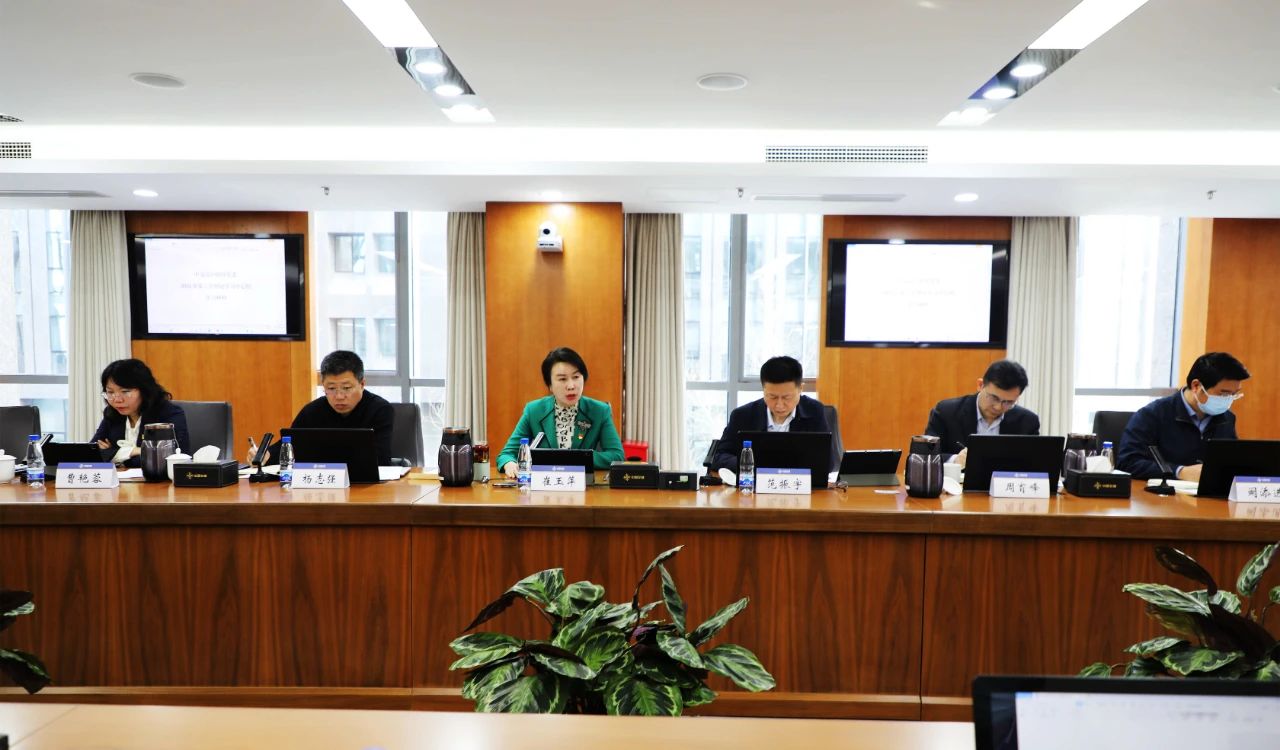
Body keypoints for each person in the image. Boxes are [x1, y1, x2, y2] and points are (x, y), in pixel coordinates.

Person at [1117, 352, 1249, 480]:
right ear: (1196, 386)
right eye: (1224, 394)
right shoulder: (1153, 414)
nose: (1229, 400)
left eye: (1234, 394)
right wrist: (1179, 472)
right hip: (1164, 493)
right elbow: (1127, 462)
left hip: (1208, 493)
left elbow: (1230, 462)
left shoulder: (1226, 418)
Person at [251, 350, 395, 466]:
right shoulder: (312, 411)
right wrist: (265, 455)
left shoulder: (380, 410)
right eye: (331, 388)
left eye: (346, 388)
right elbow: (289, 445)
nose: (339, 396)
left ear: (362, 384)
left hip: (365, 485)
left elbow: (381, 460)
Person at [497, 347, 625, 477]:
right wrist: (509, 463)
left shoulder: (599, 410)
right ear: (550, 385)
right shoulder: (534, 410)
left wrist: (577, 458)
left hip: (583, 484)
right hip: (545, 485)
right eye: (562, 379)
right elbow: (507, 454)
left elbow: (616, 455)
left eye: (576, 377)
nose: (571, 386)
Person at [711, 355, 839, 474]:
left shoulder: (814, 411)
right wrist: (749, 464)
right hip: (753, 486)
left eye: (787, 397)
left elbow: (828, 462)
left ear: (801, 389)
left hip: (799, 485)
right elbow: (719, 456)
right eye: (772, 397)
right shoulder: (743, 415)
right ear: (763, 390)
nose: (779, 405)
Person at [924, 359, 1040, 467]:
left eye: (1009, 402)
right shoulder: (946, 412)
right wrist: (955, 460)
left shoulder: (1027, 422)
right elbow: (926, 455)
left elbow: (1035, 462)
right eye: (994, 398)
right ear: (980, 385)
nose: (998, 407)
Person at [92, 358, 190, 467]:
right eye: (110, 392)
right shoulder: (112, 413)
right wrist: (135, 451)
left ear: (144, 390)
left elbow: (168, 457)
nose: (117, 400)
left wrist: (114, 455)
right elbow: (92, 452)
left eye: (125, 392)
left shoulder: (168, 413)